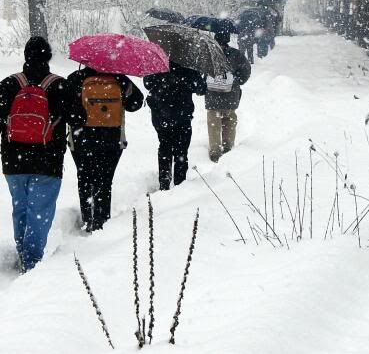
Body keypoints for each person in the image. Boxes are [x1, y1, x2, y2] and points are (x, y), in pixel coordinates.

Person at [0, 37, 69, 273]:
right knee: (40, 211)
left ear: (26, 56)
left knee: (21, 207)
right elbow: (79, 120)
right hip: (48, 161)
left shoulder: (9, 84)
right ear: (48, 58)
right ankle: (31, 262)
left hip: (14, 161)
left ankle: (23, 252)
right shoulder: (60, 86)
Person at [66, 67, 144, 231]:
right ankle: (101, 221)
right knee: (104, 180)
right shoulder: (119, 79)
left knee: (84, 178)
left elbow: (64, 106)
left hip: (82, 139)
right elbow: (136, 103)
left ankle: (88, 219)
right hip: (111, 139)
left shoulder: (76, 78)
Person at [144, 61, 207, 191]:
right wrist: (197, 76)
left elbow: (147, 83)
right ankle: (180, 183)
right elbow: (201, 89)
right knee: (181, 150)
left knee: (164, 146)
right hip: (182, 117)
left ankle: (164, 179)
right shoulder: (188, 68)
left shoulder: (157, 65)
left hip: (161, 116)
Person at [205, 30, 252, 163]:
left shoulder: (209, 54)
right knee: (229, 121)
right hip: (230, 96)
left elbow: (202, 72)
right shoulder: (236, 55)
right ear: (227, 40)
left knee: (214, 124)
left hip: (212, 97)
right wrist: (236, 81)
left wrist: (205, 84)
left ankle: (215, 152)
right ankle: (228, 149)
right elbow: (246, 71)